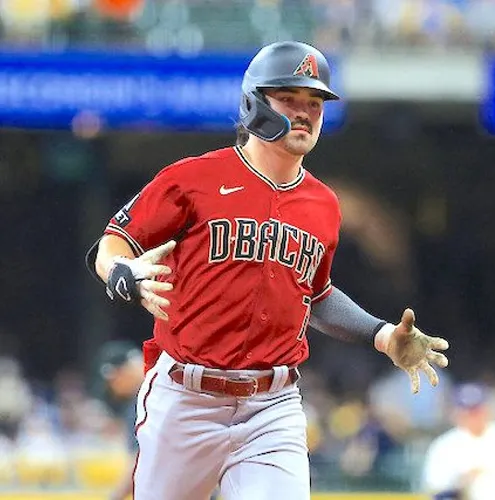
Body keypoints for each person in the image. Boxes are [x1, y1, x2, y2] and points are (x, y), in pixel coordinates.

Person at [86, 40, 450, 500]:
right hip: (186, 398)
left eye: (314, 103)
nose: (304, 112)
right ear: (253, 103)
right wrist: (122, 270)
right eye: (289, 99)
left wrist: (381, 335)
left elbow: (315, 295)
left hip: (271, 405)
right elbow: (113, 243)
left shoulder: (323, 204)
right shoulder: (192, 178)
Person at [422, 382, 495, 500]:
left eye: (477, 410)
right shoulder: (444, 445)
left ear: (487, 409)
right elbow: (437, 489)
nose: (473, 416)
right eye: (467, 411)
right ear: (456, 413)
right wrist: (461, 482)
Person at [95, 341, 143, 500]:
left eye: (114, 379)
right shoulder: (168, 384)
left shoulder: (142, 402)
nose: (113, 387)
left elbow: (140, 463)